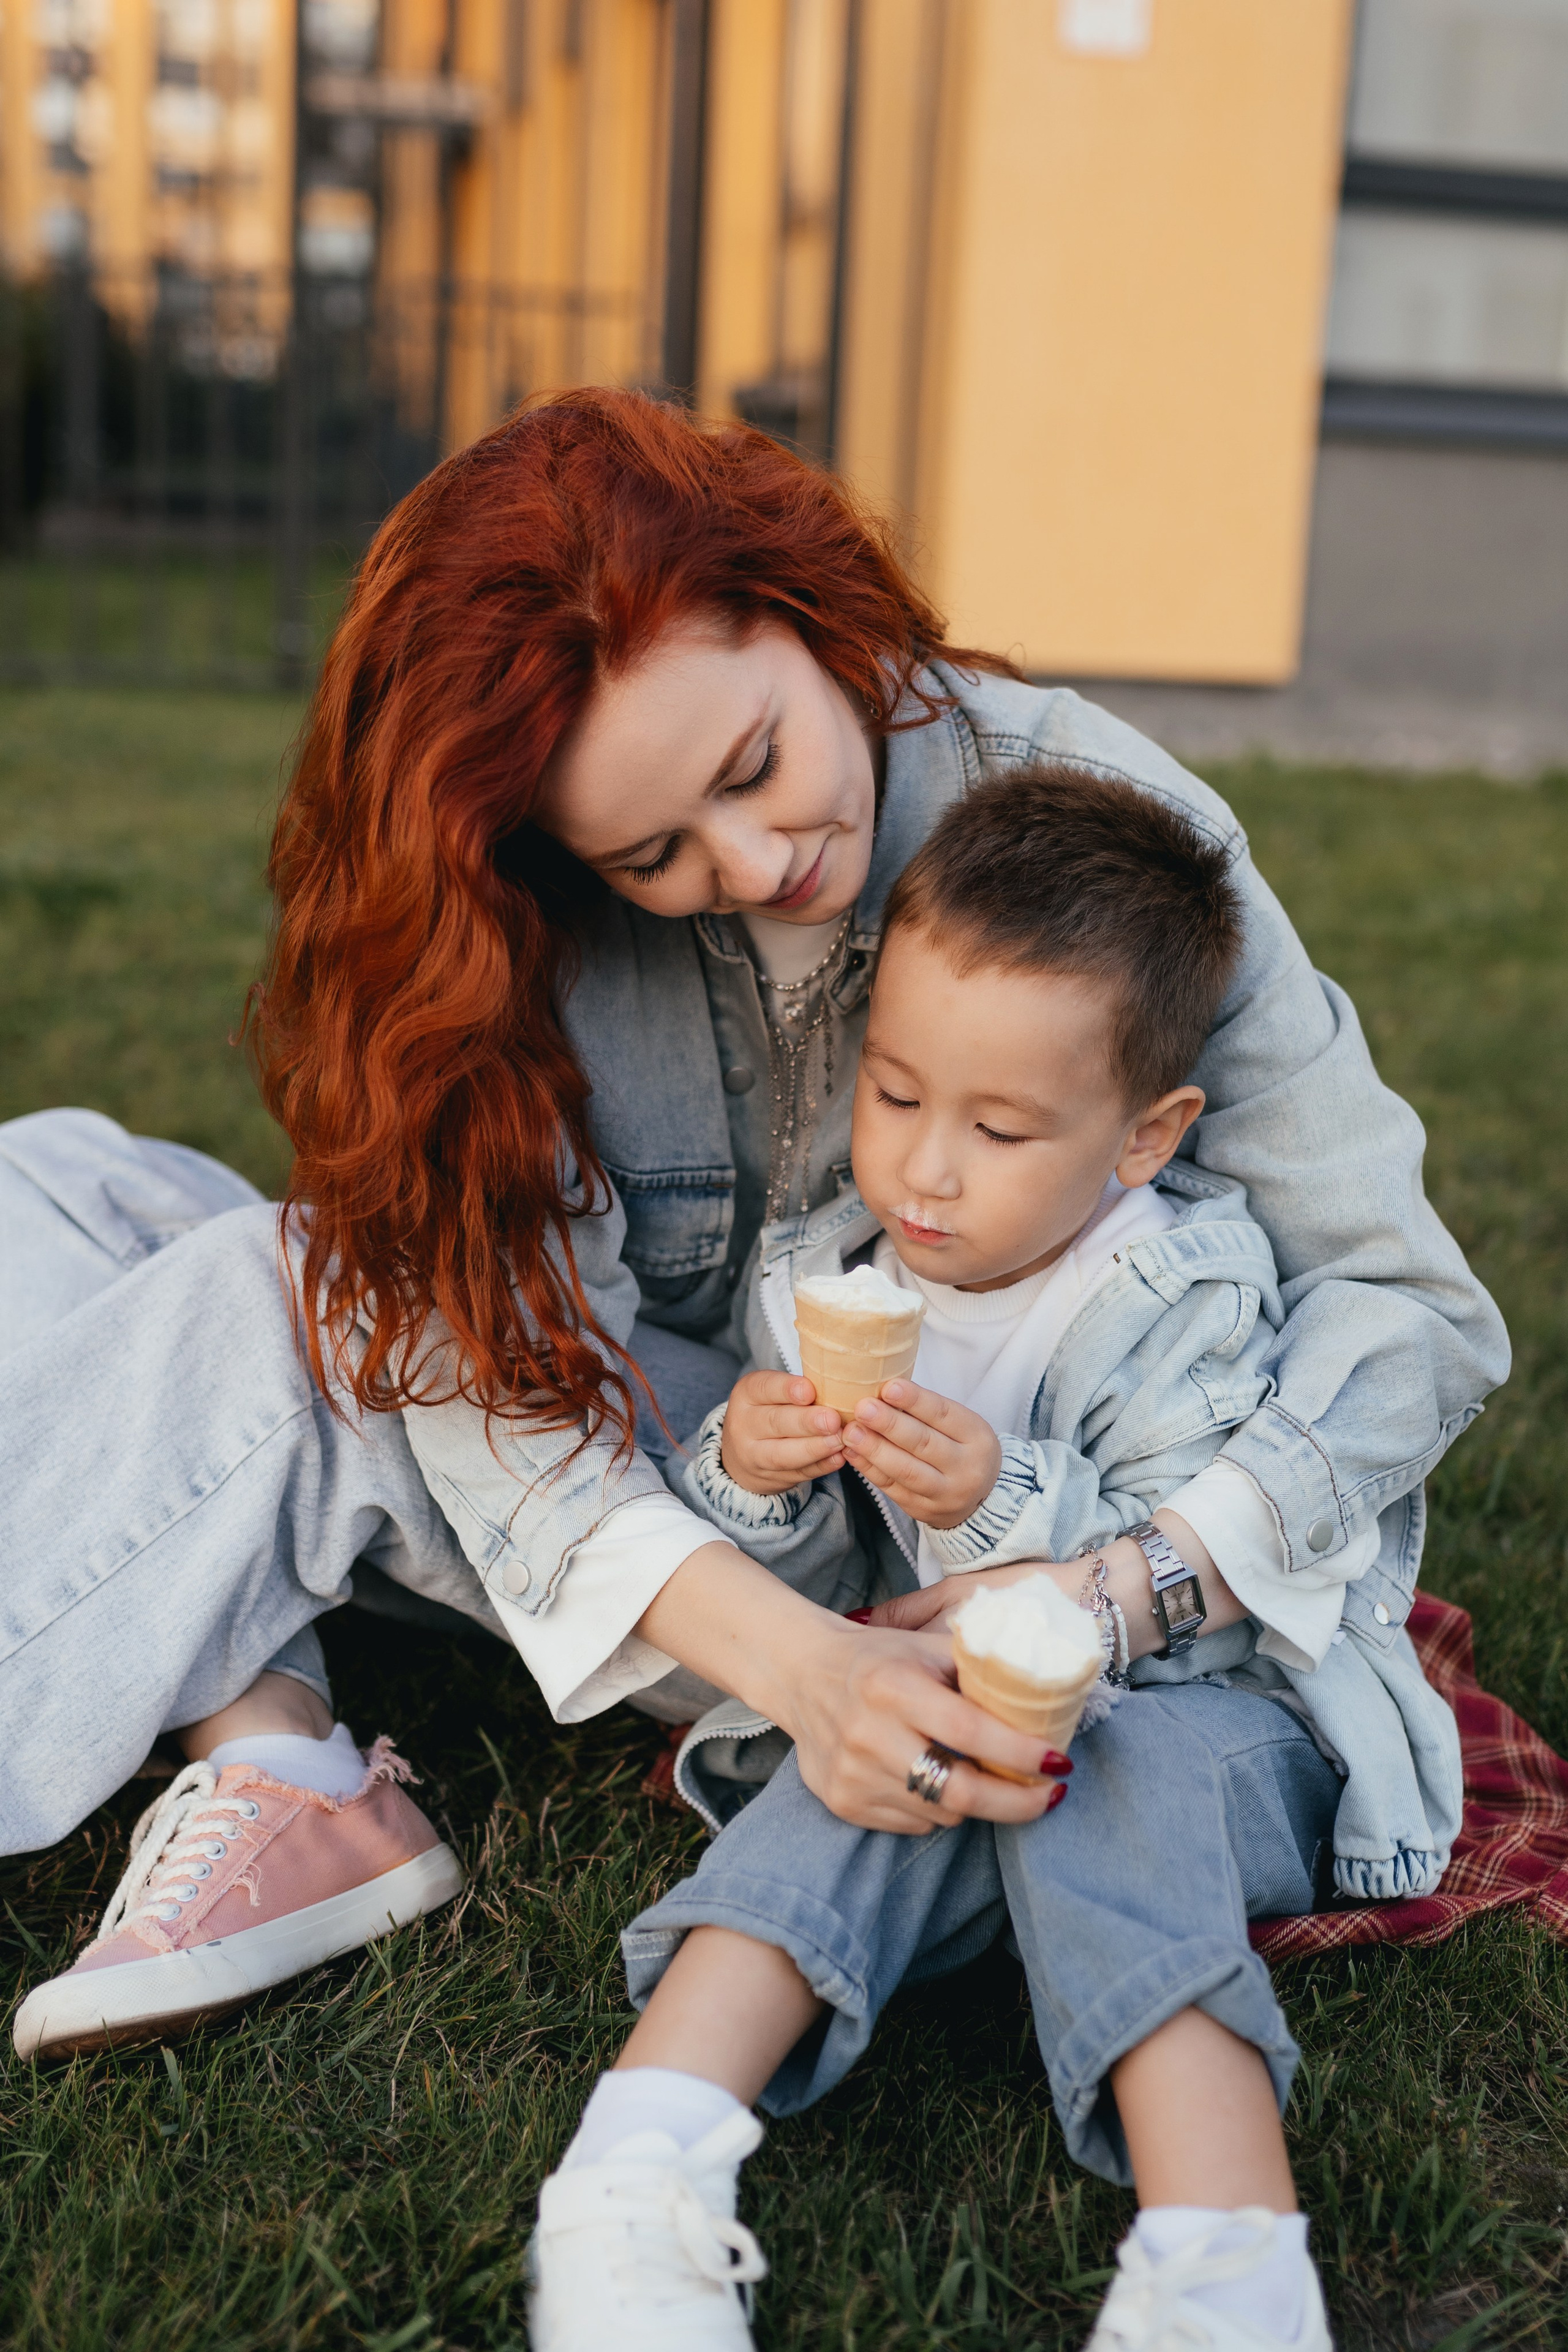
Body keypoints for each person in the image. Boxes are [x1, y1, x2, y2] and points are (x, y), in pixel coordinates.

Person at [6, 391, 1504, 2075]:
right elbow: (503, 1389)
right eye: (653, 852)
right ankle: (272, 1746)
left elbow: (1408, 1304)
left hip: (956, 1544)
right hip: (708, 1520)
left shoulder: (1092, 831)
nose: (760, 859)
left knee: (268, 1292)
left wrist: (1120, 1589)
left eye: (755, 767)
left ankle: (237, 1713)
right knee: (52, 1180)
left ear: (801, 602)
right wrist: (798, 1673)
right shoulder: (523, 919)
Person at [524, 767, 1464, 2352]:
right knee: (868, 1749)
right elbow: (815, 1590)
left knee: (1118, 1770)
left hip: (1225, 1726)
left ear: (1144, 1138)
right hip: (967, 1708)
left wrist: (1000, 1496)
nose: (927, 1173)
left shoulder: (1177, 1292)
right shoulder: (832, 1279)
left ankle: (1226, 2265)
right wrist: (750, 1479)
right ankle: (634, 2171)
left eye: (1001, 1128)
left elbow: (1201, 1605)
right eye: (895, 1098)